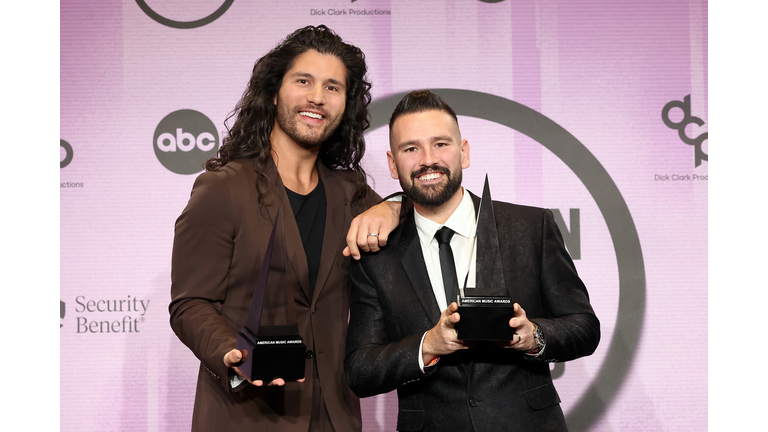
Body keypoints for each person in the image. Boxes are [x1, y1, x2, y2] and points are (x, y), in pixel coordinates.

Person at [169, 25, 400, 432]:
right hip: (245, 413)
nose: (317, 97)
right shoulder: (223, 188)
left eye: (333, 87)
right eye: (304, 81)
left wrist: (395, 206)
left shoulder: (351, 193)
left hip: (334, 415)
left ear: (346, 104)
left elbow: (422, 218)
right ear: (274, 91)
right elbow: (190, 304)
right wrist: (232, 355)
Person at [344, 90, 600, 431]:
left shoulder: (530, 228)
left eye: (440, 144)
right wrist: (428, 344)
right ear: (393, 164)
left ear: (463, 153)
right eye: (411, 149)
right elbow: (360, 369)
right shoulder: (377, 255)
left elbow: (584, 327)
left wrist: (531, 335)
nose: (427, 160)